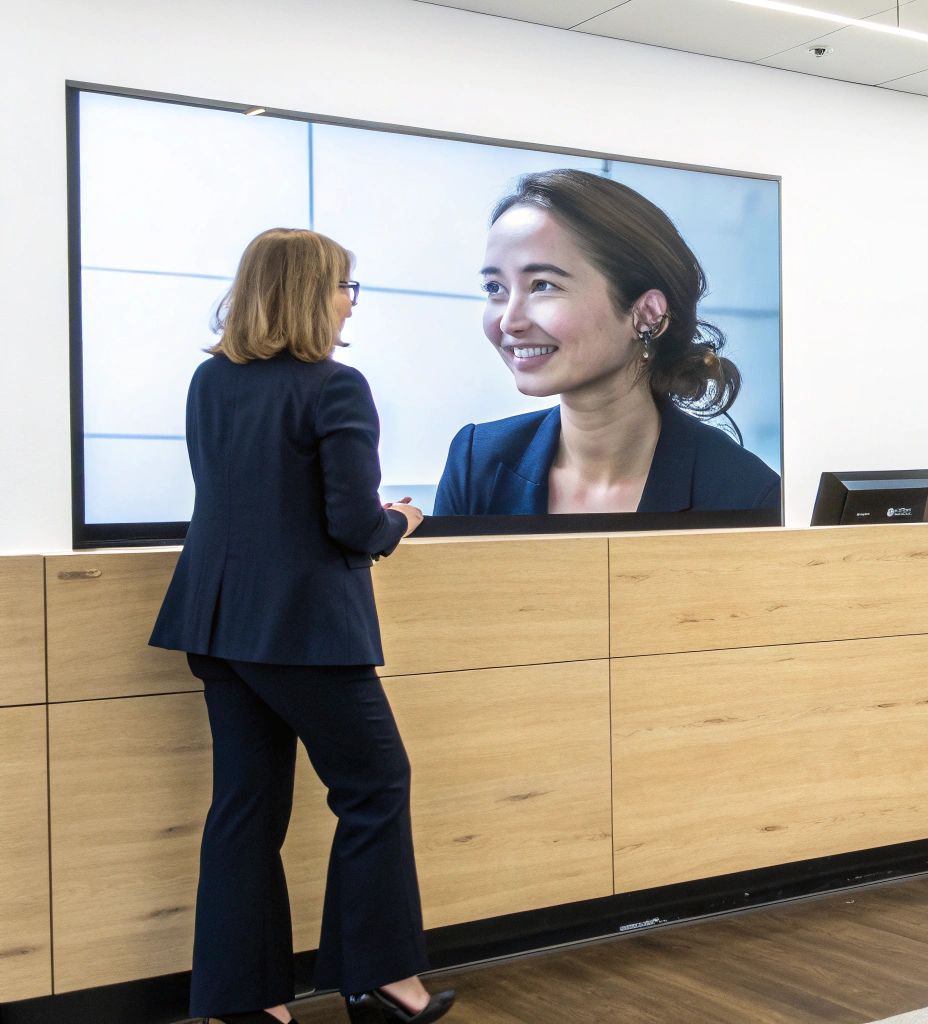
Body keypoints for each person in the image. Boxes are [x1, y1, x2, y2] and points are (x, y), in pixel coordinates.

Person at [148, 228, 456, 1024]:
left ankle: (246, 1004)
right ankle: (382, 979)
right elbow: (353, 525)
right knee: (376, 786)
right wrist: (403, 522)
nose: (352, 300)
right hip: (305, 633)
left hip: (217, 627)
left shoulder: (209, 381)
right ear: (311, 294)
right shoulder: (336, 387)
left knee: (245, 809)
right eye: (346, 284)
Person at [434, 169, 780, 516]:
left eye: (542, 285)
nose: (509, 321)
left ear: (647, 314)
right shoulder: (476, 463)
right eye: (495, 288)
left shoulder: (746, 494)